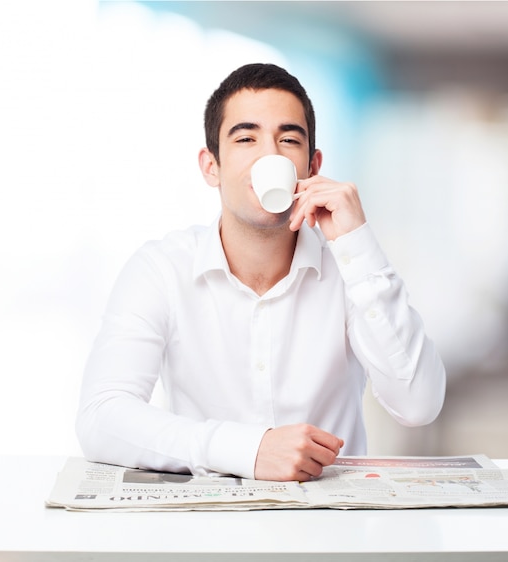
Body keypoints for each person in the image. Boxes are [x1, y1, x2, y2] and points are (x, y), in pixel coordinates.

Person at [76, 63, 446, 482]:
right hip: (205, 535)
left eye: (288, 140)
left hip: (332, 534)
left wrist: (356, 242)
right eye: (246, 138)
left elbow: (419, 404)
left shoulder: (352, 268)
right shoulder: (161, 269)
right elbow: (101, 418)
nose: (270, 155)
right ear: (210, 166)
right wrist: (247, 451)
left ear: (311, 165)